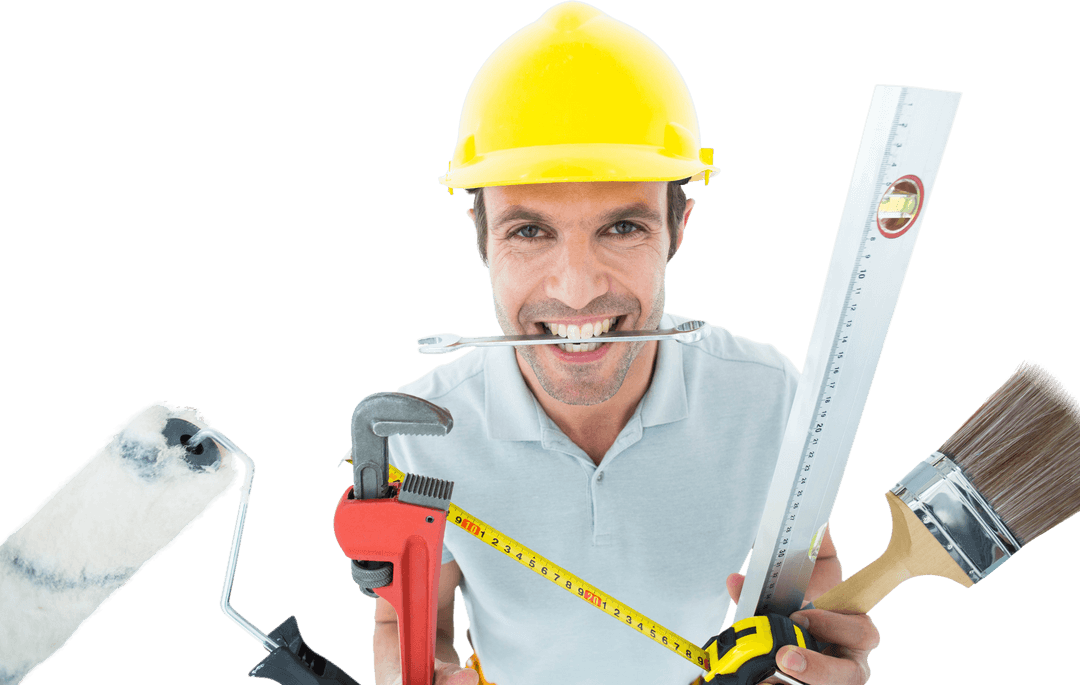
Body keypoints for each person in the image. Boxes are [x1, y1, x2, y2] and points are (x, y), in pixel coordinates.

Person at [372, 3, 879, 684]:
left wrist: (810, 646)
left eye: (622, 228)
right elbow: (409, 621)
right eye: (529, 231)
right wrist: (420, 675)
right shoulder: (420, 429)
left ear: (678, 227)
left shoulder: (768, 394)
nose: (577, 290)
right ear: (480, 237)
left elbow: (807, 571)